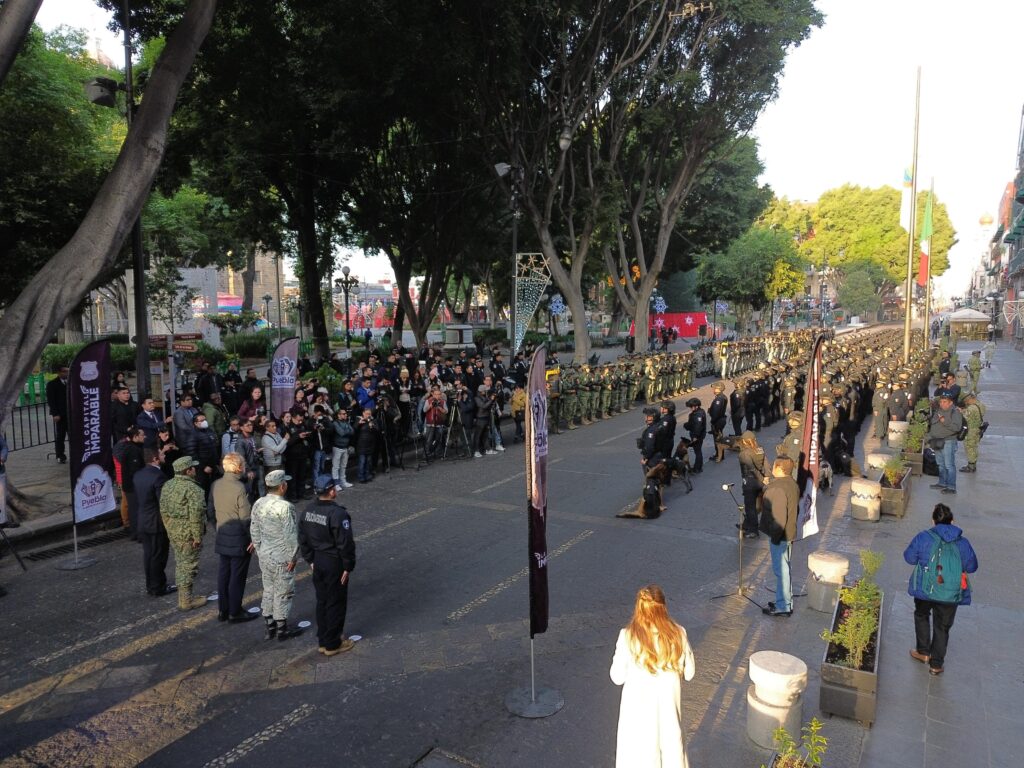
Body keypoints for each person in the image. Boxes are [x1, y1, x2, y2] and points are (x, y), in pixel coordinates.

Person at [609, 585, 695, 768]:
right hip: (669, 716)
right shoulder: (679, 633)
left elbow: (616, 677)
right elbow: (690, 673)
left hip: (637, 719)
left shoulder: (627, 637)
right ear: (663, 607)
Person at [903, 503, 979, 675]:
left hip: (925, 590)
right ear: (952, 521)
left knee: (921, 615)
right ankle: (936, 665)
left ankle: (923, 652)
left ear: (933, 521)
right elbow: (972, 566)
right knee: (942, 627)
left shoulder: (923, 537)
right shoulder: (963, 542)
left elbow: (909, 558)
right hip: (950, 593)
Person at [299, 478, 357, 656]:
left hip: (318, 560)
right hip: (334, 562)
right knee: (336, 602)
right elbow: (345, 543)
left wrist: (310, 559)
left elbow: (302, 538)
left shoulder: (307, 511)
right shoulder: (337, 514)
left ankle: (323, 640)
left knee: (322, 600)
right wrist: (348, 565)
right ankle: (333, 643)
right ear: (331, 491)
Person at [251, 470, 303, 641]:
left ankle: (269, 626)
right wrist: (293, 557)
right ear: (282, 486)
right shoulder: (286, 507)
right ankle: (282, 629)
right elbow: (290, 535)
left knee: (268, 589)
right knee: (283, 592)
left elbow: (254, 529)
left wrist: (259, 551)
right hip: (281, 557)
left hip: (265, 555)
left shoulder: (258, 503)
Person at [211, 453, 257, 623]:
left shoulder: (216, 484)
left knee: (224, 574)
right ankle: (235, 611)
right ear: (238, 467)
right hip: (239, 538)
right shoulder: (239, 488)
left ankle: (223, 610)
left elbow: (210, 511)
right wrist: (253, 538)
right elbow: (246, 518)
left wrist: (218, 528)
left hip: (223, 534)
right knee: (237, 576)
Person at [159, 456, 208, 611]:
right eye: (193, 467)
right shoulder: (193, 489)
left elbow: (163, 510)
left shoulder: (167, 485)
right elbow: (196, 515)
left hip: (174, 532)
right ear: (188, 470)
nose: (195, 469)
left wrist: (170, 528)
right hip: (188, 535)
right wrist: (197, 537)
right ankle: (186, 601)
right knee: (188, 566)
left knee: (181, 564)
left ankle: (184, 598)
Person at [760, 457, 799, 617]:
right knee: (785, 568)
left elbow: (778, 517)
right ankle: (784, 600)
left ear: (779, 468)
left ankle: (783, 606)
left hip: (780, 537)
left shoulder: (777, 489)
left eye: (774, 465)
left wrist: (775, 538)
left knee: (781, 571)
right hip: (789, 533)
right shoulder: (791, 483)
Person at [133, 448, 175, 597]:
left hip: (143, 520)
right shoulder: (159, 477)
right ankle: (158, 586)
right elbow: (163, 502)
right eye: (162, 454)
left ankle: (151, 585)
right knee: (158, 555)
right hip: (156, 523)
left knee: (149, 555)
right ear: (156, 459)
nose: (164, 456)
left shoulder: (139, 474)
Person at [112, 426, 146, 538]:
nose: (144, 437)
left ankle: (134, 530)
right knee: (132, 507)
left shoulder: (133, 447)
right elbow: (134, 470)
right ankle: (134, 531)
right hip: (131, 484)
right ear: (135, 436)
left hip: (129, 483)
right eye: (142, 435)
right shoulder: (130, 449)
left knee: (132, 507)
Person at [927, 392, 963, 495]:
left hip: (948, 441)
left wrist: (944, 421)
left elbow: (956, 428)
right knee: (940, 464)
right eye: (941, 401)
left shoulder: (955, 412)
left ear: (950, 402)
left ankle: (951, 486)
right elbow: (933, 424)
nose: (942, 404)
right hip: (937, 441)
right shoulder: (939, 410)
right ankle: (942, 483)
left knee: (949, 465)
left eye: (945, 402)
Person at [736, 431, 765, 538]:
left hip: (750, 482)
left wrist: (761, 479)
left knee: (750, 507)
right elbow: (765, 464)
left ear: (744, 441)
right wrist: (767, 478)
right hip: (760, 483)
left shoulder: (744, 454)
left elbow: (752, 469)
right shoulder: (760, 449)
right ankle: (746, 524)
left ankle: (753, 530)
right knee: (757, 505)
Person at [45, 366, 69, 464]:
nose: (67, 373)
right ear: (59, 372)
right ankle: (60, 455)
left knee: (73, 436)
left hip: (71, 414)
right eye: (64, 371)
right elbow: (51, 401)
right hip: (60, 415)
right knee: (60, 436)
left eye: (68, 371)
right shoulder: (52, 384)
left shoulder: (71, 383)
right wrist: (55, 414)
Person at [959, 393, 985, 473]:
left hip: (971, 430)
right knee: (974, 447)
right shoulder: (980, 405)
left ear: (970, 399)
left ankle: (970, 466)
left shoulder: (971, 408)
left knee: (969, 447)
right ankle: (973, 464)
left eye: (966, 401)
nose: (966, 403)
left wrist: (961, 412)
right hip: (978, 429)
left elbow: (965, 417)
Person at [331, 408, 354, 490]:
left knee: (343, 466)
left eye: (345, 414)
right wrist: (347, 430)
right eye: (343, 414)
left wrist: (346, 431)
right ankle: (336, 484)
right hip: (337, 447)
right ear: (338, 415)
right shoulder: (335, 423)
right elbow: (342, 433)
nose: (346, 415)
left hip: (345, 447)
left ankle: (343, 481)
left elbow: (352, 432)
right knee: (336, 466)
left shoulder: (346, 422)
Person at [683, 398, 706, 473]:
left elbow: (698, 427)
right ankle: (699, 466)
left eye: (692, 406)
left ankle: (697, 468)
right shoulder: (699, 412)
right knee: (698, 451)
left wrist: (695, 437)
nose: (690, 408)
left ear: (696, 406)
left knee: (698, 451)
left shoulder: (698, 415)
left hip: (697, 436)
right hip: (698, 435)